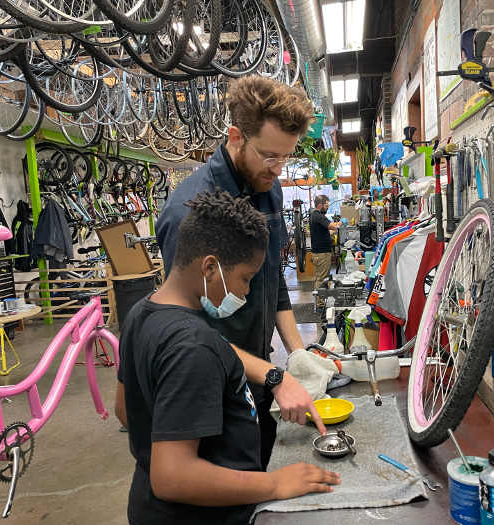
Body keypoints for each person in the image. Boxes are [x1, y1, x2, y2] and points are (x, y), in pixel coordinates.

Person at [115, 191, 340, 525]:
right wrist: (274, 483)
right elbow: (172, 477)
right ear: (210, 267)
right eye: (246, 278)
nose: (246, 291)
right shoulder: (192, 347)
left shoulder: (141, 314)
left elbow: (125, 411)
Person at [156, 76, 317, 467]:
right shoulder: (189, 214)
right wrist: (275, 376)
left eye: (287, 157)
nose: (279, 169)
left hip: (258, 379)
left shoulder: (268, 189)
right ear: (235, 136)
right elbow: (186, 331)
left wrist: (298, 355)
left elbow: (274, 276)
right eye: (269, 156)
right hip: (210, 391)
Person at [309, 195, 342, 295]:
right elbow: (333, 226)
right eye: (326, 205)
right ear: (320, 205)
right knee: (322, 280)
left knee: (322, 278)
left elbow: (325, 232)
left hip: (320, 253)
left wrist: (333, 232)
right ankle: (320, 304)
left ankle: (321, 301)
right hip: (321, 254)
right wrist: (340, 223)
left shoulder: (315, 215)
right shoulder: (318, 216)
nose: (327, 207)